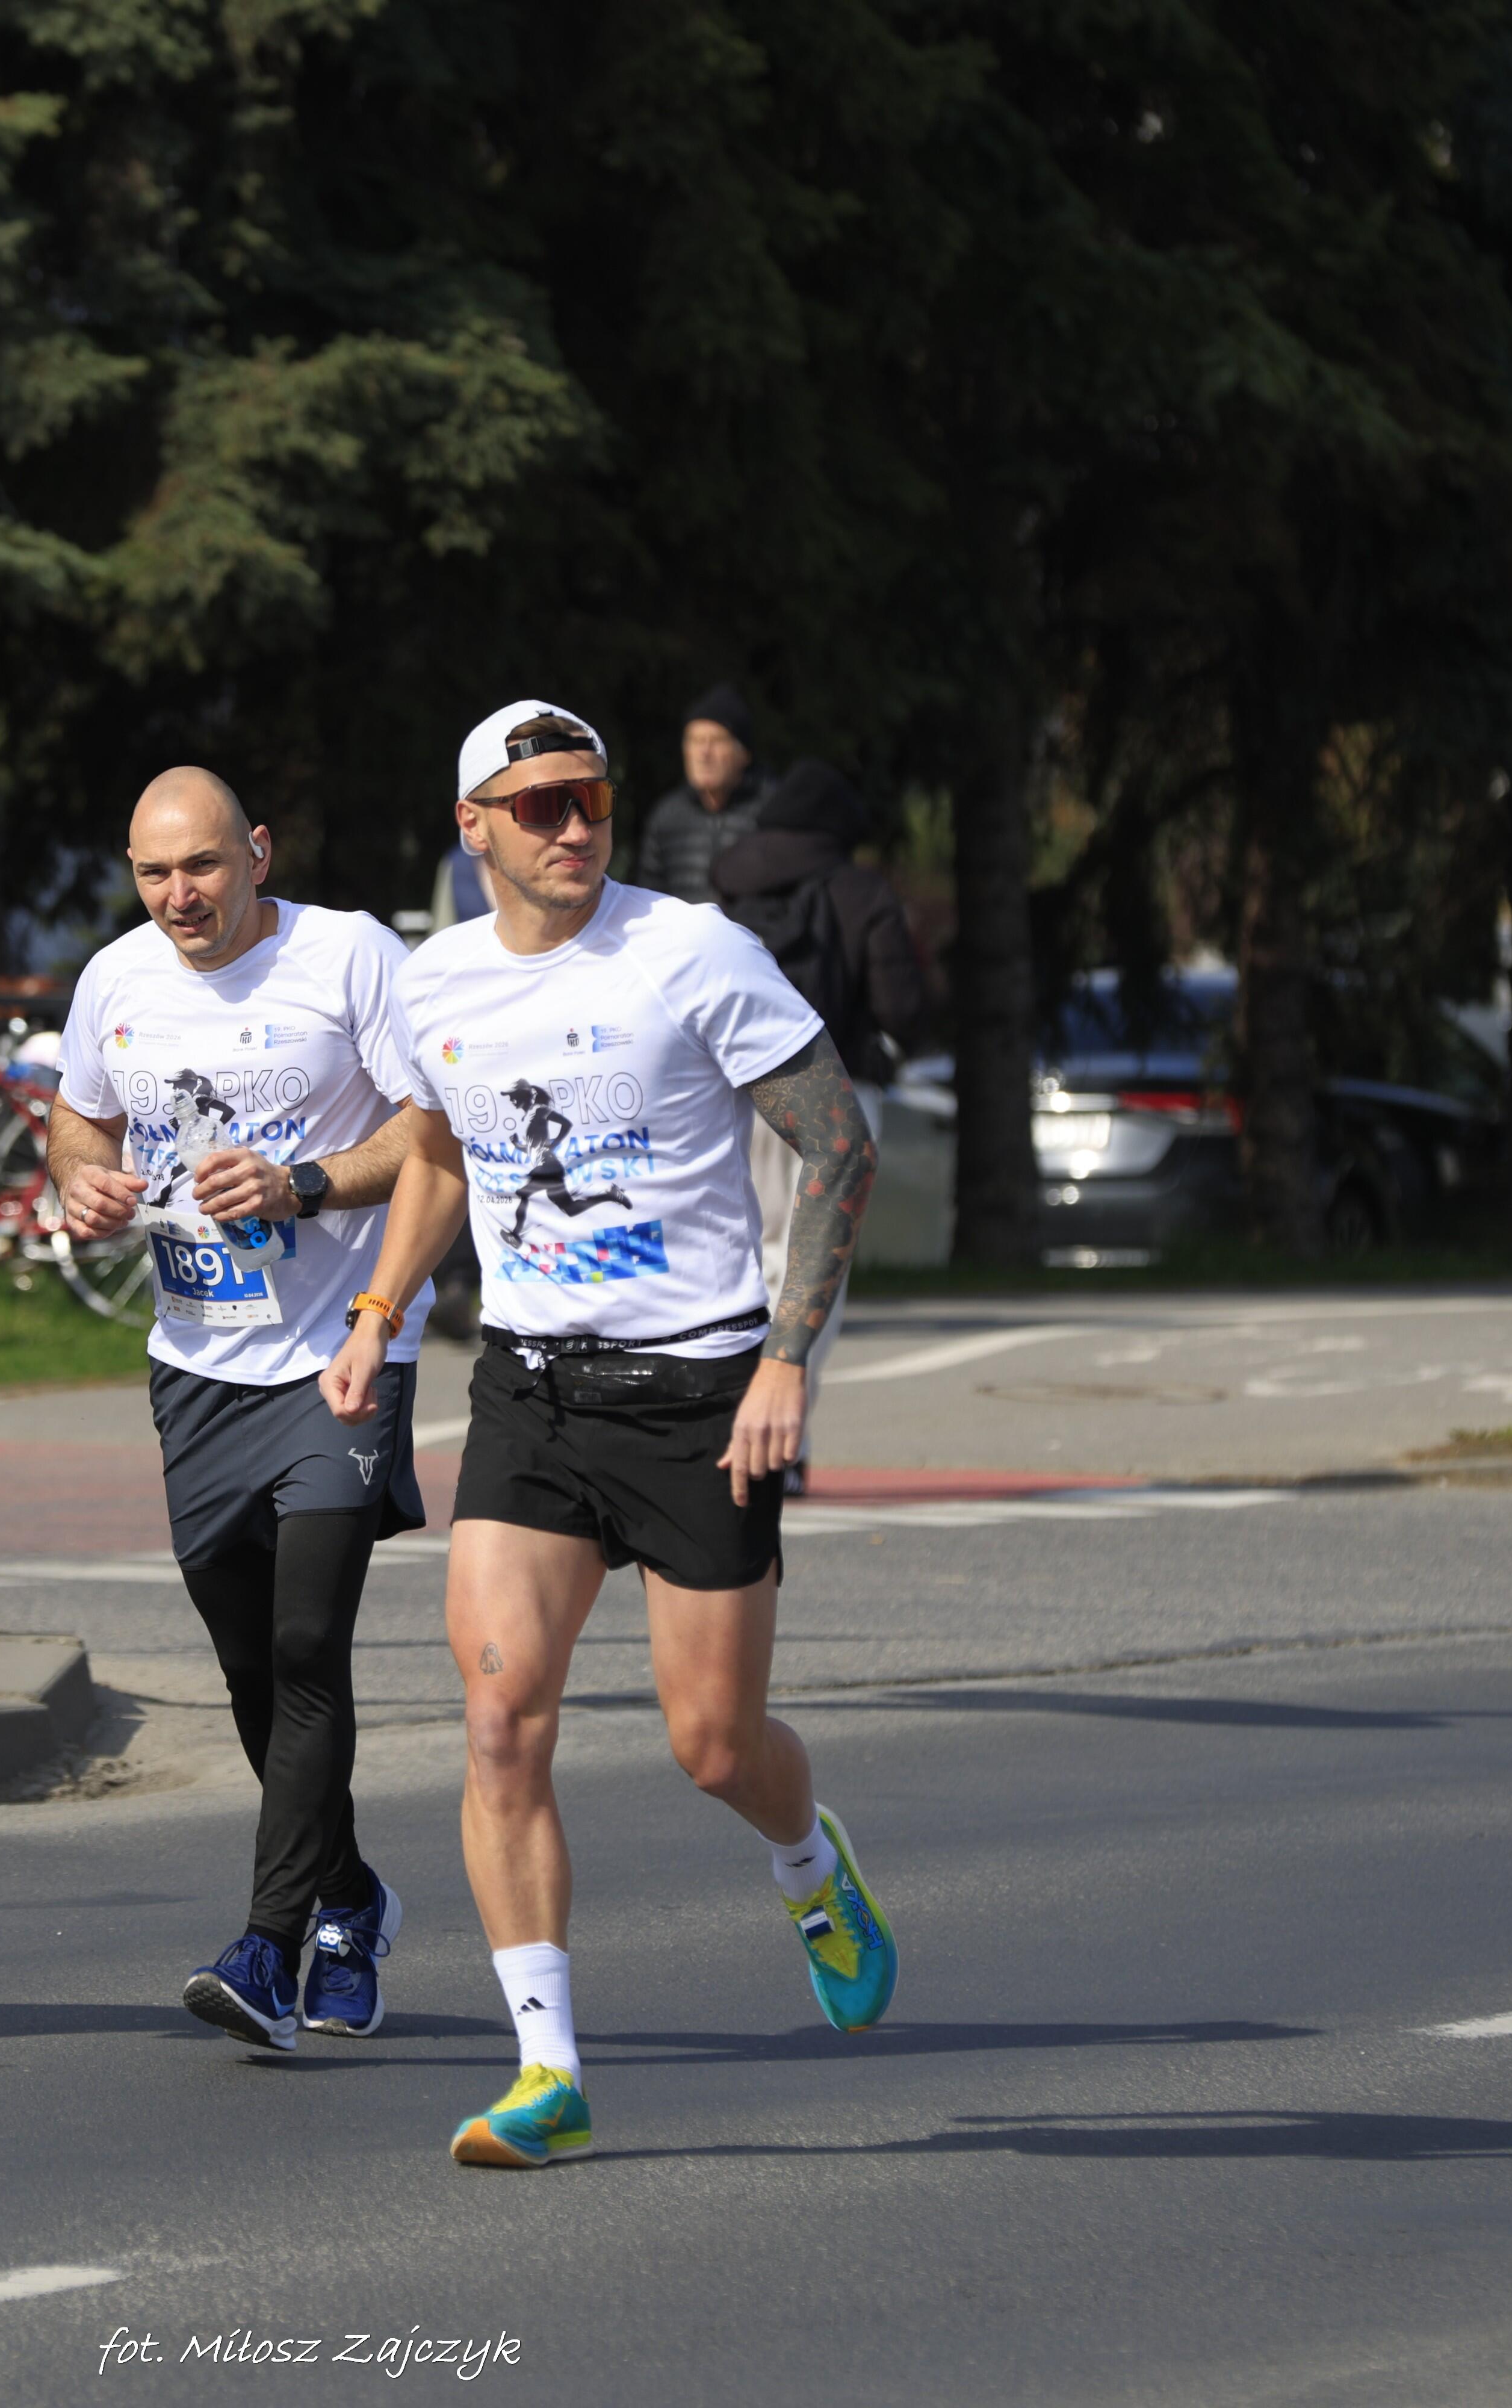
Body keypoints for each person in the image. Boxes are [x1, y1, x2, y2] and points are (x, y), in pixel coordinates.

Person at [325, 699, 891, 2170]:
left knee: (714, 1743)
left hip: (702, 1395)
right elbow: (441, 1151)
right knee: (499, 1715)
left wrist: (786, 1361)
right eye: (540, 806)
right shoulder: (436, 982)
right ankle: (548, 2067)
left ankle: (807, 1861)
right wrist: (381, 1306)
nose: (574, 825)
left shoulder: (691, 949)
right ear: (474, 827)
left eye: (591, 798)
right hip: (531, 1393)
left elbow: (839, 1141)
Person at [49, 767, 434, 2052]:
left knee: (308, 1640)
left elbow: (432, 1132)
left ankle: (268, 1947)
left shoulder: (349, 957)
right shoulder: (116, 978)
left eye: (204, 866)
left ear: (257, 852)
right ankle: (351, 1898)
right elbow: (77, 1123)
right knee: (252, 1667)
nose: (181, 896)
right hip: (199, 1361)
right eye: (155, 873)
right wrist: (83, 1185)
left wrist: (303, 1182)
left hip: (345, 1349)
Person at [710, 759, 931, 1456]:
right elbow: (902, 1004)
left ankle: (727, 1420)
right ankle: (786, 1440)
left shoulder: (726, 883)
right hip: (839, 1094)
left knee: (748, 1251)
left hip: (740, 1094)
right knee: (812, 1262)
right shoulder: (862, 892)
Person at [629, 683, 761, 905]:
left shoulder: (771, 812)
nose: (704, 753)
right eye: (696, 741)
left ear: (744, 754)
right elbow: (648, 899)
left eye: (717, 740)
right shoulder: (666, 816)